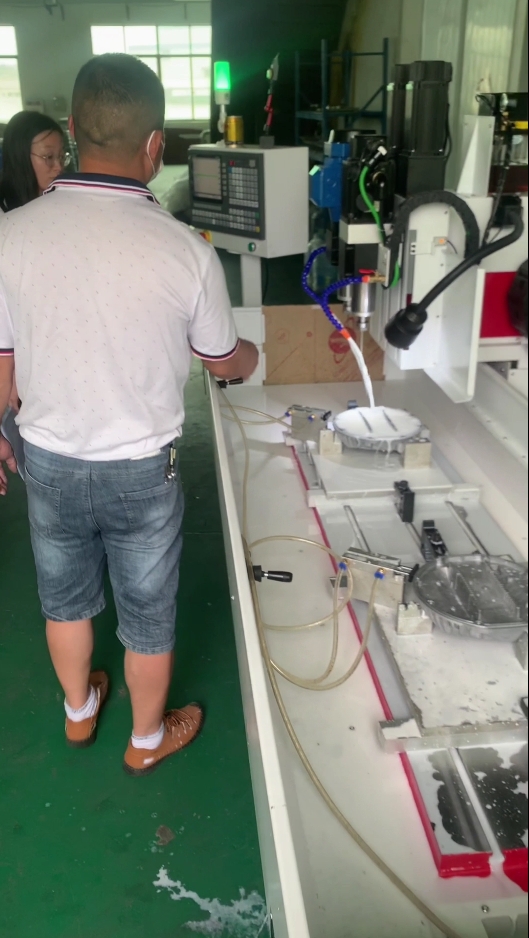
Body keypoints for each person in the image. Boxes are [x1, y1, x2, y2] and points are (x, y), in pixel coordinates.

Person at [0, 54, 258, 776]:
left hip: (48, 459)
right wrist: (253, 355)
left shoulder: (11, 234)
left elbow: (2, 357)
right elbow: (222, 361)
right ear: (155, 144)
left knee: (64, 601)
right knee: (147, 613)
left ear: (73, 129)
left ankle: (79, 710)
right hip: (142, 468)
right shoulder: (183, 250)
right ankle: (145, 741)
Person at [0, 111, 71, 411]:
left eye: (62, 156)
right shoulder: (5, 217)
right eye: (48, 157)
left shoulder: (58, 205)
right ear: (20, 157)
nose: (58, 166)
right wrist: (10, 370)